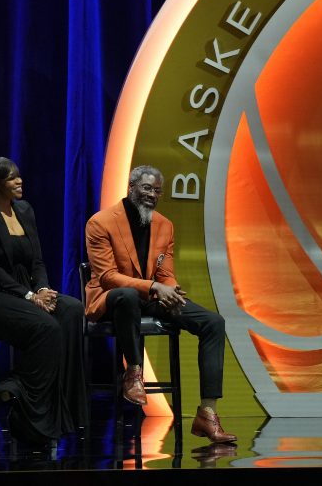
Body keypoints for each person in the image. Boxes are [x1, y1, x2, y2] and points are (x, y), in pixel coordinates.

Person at [84, 165, 237, 444]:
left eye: (157, 191)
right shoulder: (100, 222)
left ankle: (207, 413)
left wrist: (172, 290)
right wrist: (154, 287)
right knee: (128, 296)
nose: (152, 195)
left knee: (213, 323)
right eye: (146, 188)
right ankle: (134, 373)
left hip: (148, 298)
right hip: (111, 298)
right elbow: (107, 277)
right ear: (131, 187)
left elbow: (165, 273)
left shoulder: (164, 225)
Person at [0, 157, 88, 443]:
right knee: (46, 327)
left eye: (19, 176)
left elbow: (37, 261)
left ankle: (56, 407)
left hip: (21, 291)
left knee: (72, 310)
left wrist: (42, 290)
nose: (19, 181)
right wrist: (29, 296)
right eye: (12, 178)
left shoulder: (24, 210)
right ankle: (24, 406)